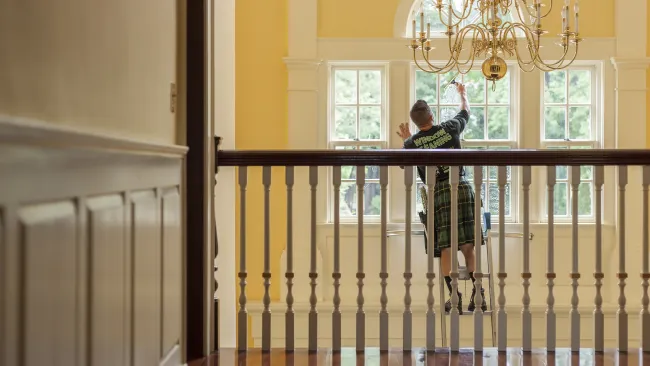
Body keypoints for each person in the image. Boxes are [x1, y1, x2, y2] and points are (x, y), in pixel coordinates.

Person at [396, 82, 486, 314]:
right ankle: (478, 293)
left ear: (416, 124)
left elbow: (402, 163)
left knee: (446, 248)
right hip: (463, 189)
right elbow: (466, 111)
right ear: (432, 116)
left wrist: (407, 140)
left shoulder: (412, 142)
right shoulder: (449, 127)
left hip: (440, 196)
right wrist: (463, 94)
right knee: (467, 245)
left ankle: (454, 295)